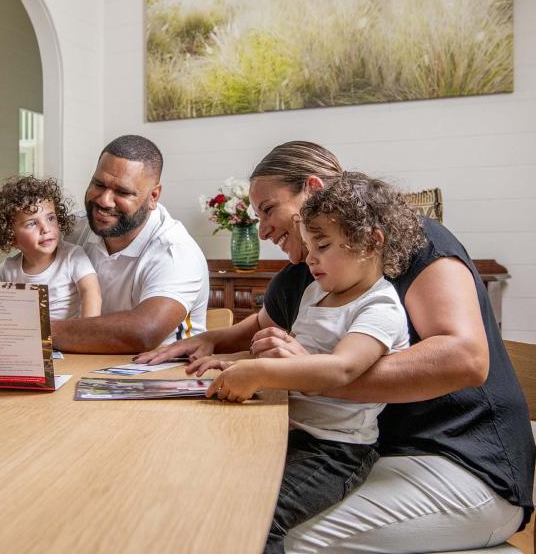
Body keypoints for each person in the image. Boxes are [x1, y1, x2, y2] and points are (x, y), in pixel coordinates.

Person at [137, 141, 534, 552]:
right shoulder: (311, 276)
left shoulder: (415, 241)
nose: (263, 229)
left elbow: (465, 359)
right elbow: (263, 325)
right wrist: (212, 340)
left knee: (245, 526)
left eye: (269, 209)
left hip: (461, 461)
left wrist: (308, 374)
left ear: (311, 188)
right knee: (214, 496)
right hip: (378, 452)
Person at [189, 172, 420, 552]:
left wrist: (259, 372)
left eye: (323, 246)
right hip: (288, 433)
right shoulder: (315, 293)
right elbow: (291, 353)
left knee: (259, 519)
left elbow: (340, 369)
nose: (310, 259)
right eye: (309, 246)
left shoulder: (380, 306)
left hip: (334, 452)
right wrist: (229, 360)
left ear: (370, 242)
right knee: (213, 490)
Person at [52, 134, 209, 353]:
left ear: (153, 196)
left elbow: (144, 332)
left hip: (163, 376)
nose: (104, 201)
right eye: (98, 184)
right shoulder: (70, 231)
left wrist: (35, 332)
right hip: (81, 366)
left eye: (122, 192)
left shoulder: (176, 251)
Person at [0, 176, 101, 321]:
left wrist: (85, 332)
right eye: (31, 223)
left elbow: (91, 293)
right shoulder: (7, 270)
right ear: (11, 237)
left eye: (50, 218)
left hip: (68, 340)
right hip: (27, 340)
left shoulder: (72, 256)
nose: (45, 229)